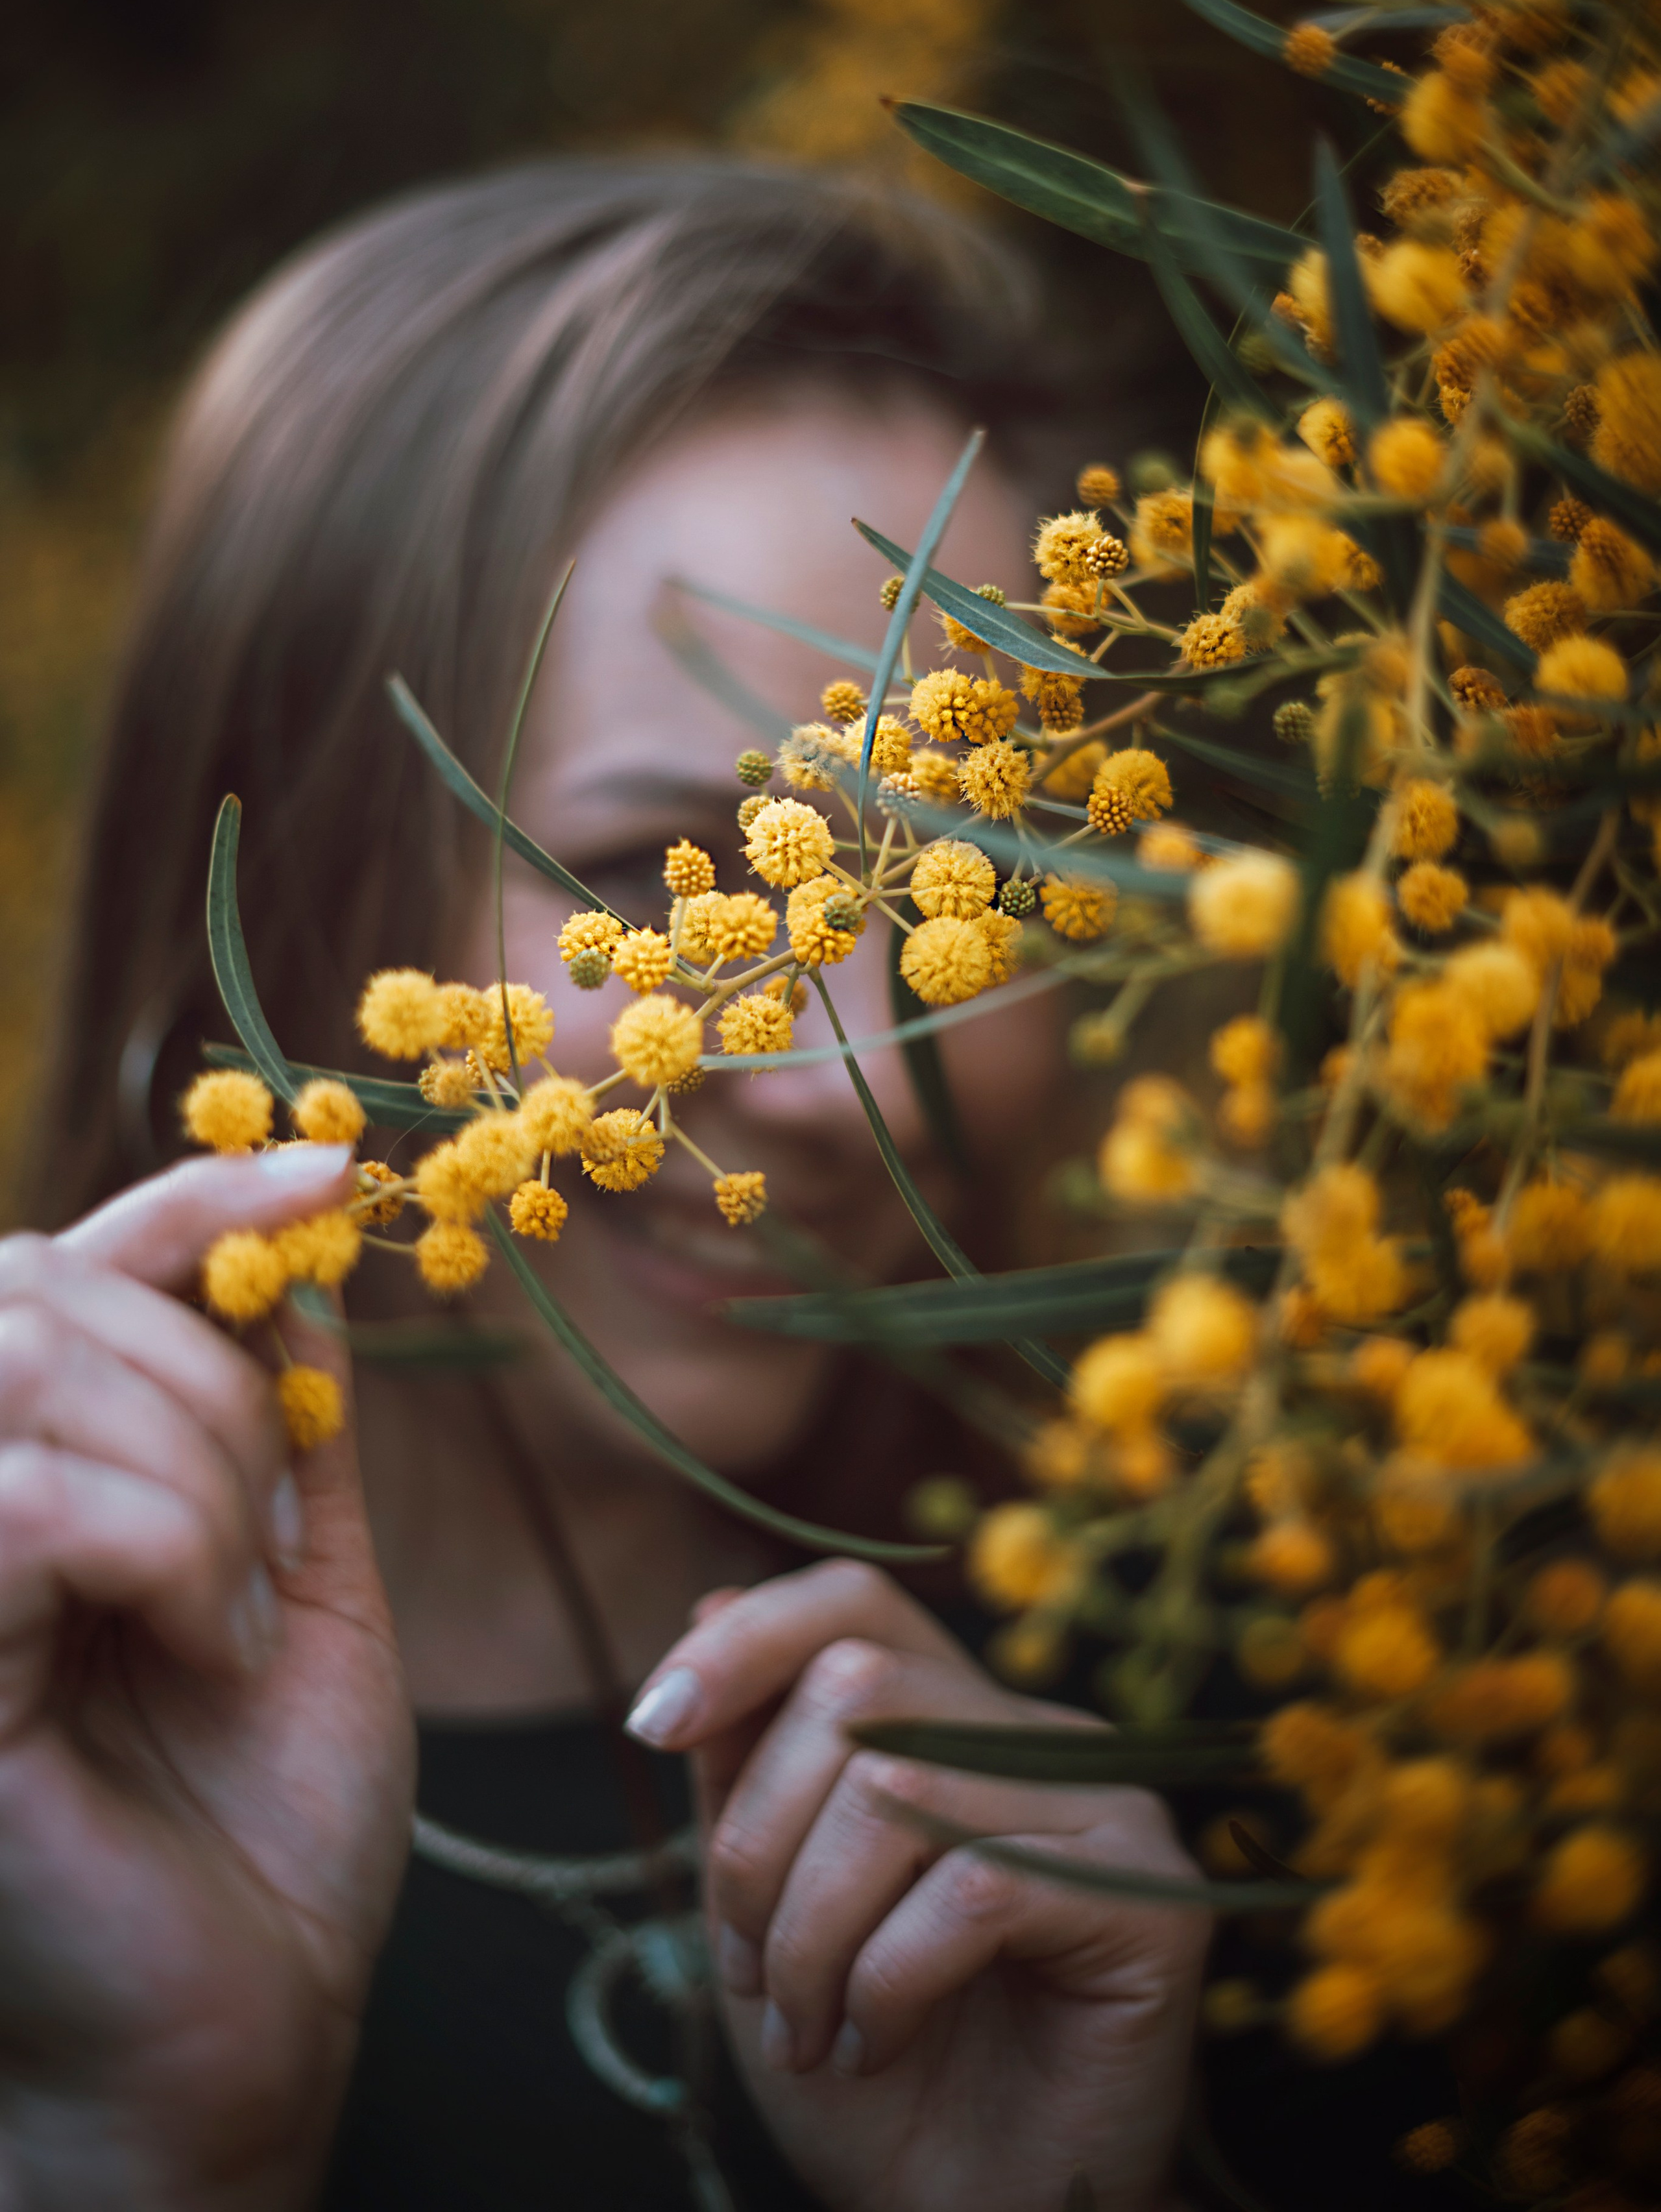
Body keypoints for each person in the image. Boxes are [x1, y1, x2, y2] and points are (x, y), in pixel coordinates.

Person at [11, 159, 1206, 2210]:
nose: (877, 1097)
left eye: (977, 895)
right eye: (680, 867)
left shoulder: (1206, 1765)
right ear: (274, 876)